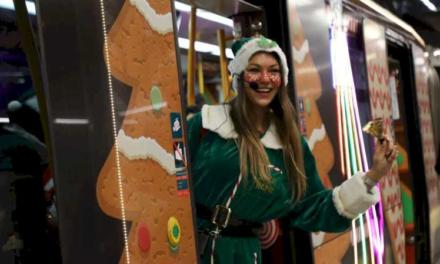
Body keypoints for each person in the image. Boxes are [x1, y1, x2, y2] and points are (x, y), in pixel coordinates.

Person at [186, 36, 397, 264]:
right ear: (239, 76)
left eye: (273, 71)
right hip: (191, 244)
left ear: (282, 79)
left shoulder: (290, 143)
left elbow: (312, 206)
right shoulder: (205, 124)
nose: (265, 79)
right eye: (254, 70)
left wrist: (371, 177)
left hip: (244, 255)